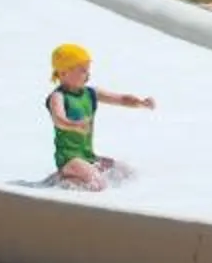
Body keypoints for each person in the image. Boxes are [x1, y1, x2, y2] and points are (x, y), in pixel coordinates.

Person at [47, 43, 153, 189]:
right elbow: (59, 119)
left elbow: (120, 99)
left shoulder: (90, 93)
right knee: (97, 184)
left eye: (88, 70)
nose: (88, 75)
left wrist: (141, 103)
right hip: (69, 159)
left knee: (125, 173)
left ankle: (75, 175)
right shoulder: (58, 97)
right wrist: (74, 125)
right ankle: (62, 180)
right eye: (83, 70)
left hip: (88, 156)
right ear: (63, 73)